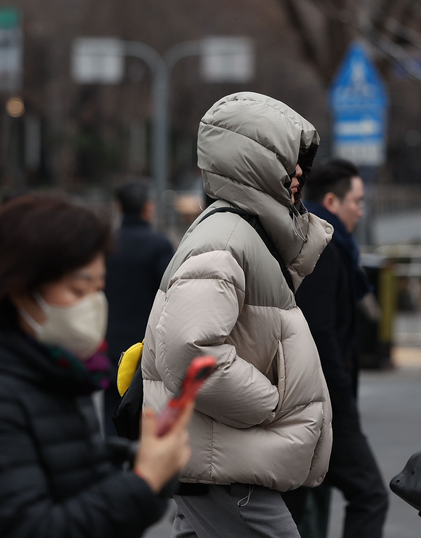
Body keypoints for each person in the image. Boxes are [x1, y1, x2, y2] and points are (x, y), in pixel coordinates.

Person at [0, 195, 192, 538]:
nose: (93, 303)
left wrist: (144, 463)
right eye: (78, 289)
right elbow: (31, 526)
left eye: (98, 287)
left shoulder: (56, 369)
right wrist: (143, 483)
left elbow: (67, 473)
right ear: (19, 290)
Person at [141, 92, 334, 537]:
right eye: (288, 158)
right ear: (255, 161)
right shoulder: (228, 236)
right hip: (227, 465)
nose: (300, 172)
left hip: (221, 459)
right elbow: (191, 351)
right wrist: (268, 404)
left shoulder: (238, 233)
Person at [284, 159, 388, 538]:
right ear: (332, 200)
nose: (361, 210)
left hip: (311, 401)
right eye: (357, 201)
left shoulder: (322, 243)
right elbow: (321, 332)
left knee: (297, 508)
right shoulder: (324, 247)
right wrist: (341, 400)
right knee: (370, 494)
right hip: (325, 402)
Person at [104, 180, 173, 436]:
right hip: (144, 346)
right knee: (146, 413)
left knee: (112, 411)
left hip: (110, 343)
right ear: (147, 208)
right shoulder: (159, 245)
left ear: (118, 208)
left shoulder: (106, 244)